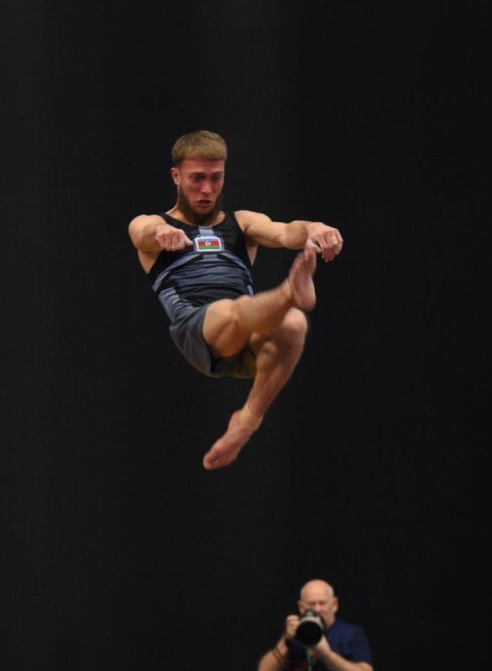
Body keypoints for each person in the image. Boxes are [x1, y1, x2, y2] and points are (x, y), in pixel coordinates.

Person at [128, 130, 343, 470]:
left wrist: (315, 227)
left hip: (248, 333)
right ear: (176, 176)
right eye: (197, 179)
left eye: (216, 178)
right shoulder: (154, 223)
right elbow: (142, 232)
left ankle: (245, 422)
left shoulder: (241, 224)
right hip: (197, 328)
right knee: (236, 309)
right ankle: (289, 292)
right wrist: (160, 234)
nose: (207, 190)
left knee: (294, 323)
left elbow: (286, 232)